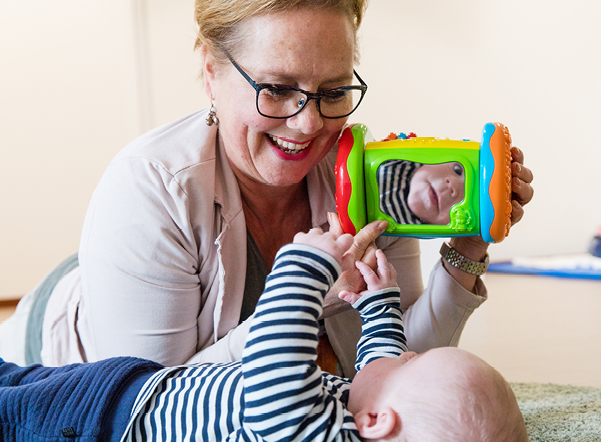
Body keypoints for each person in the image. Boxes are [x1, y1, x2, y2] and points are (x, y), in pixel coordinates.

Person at [0, 0, 535, 376]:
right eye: (277, 89)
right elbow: (147, 405)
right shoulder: (149, 187)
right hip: (59, 343)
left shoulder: (375, 180)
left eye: (332, 91)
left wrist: (470, 245)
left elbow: (402, 364)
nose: (308, 125)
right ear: (211, 72)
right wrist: (301, 296)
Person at [0, 228, 530, 442]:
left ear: (378, 421)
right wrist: (379, 303)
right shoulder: (356, 431)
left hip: (99, 435)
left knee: (10, 412)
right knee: (16, 383)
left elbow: (274, 357)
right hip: (133, 393)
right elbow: (378, 367)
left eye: (412, 363)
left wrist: (306, 265)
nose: (406, 353)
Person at [377, 159, 466, 225]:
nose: (453, 186)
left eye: (467, 195)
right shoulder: (399, 160)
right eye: (457, 170)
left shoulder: (405, 236)